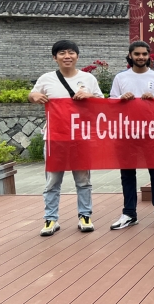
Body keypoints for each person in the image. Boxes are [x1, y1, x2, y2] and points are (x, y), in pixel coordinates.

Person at [29, 40, 104, 236]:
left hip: (81, 137)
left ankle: (85, 216)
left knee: (83, 180)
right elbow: (33, 94)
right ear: (55, 58)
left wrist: (89, 96)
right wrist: (34, 97)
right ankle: (50, 219)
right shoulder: (46, 78)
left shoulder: (88, 79)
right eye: (62, 53)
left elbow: (102, 103)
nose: (67, 56)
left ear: (77, 56)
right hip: (54, 138)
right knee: (52, 181)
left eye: (71, 52)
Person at [109, 41, 154, 230]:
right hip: (126, 132)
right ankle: (129, 213)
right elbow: (111, 103)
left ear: (148, 56)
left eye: (144, 54)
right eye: (137, 54)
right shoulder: (120, 78)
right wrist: (121, 100)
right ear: (130, 55)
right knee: (127, 173)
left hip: (151, 132)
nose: (141, 57)